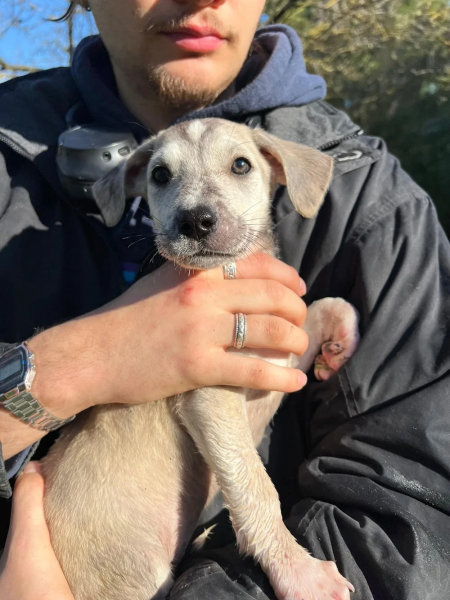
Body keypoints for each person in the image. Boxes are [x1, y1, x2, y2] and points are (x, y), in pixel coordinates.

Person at [0, 0, 449, 598]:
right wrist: (75, 363)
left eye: (238, 167)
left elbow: (412, 521)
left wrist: (320, 320)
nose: (197, 208)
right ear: (134, 184)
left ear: (278, 170)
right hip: (90, 547)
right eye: (164, 177)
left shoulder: (379, 205)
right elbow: (212, 395)